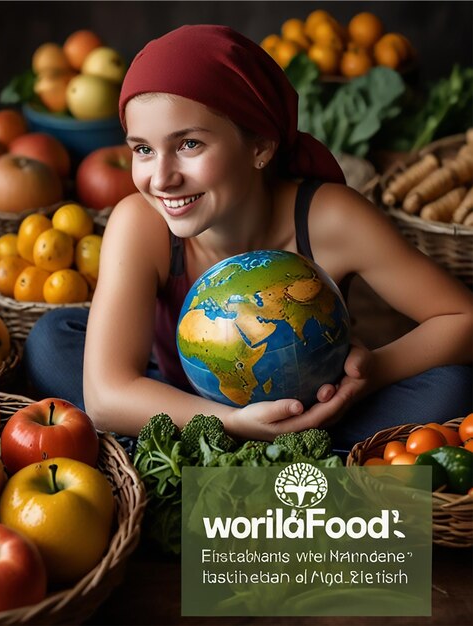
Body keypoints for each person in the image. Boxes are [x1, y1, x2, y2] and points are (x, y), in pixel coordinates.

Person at [24, 25, 473, 452]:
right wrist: (231, 423)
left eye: (189, 145)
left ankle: (217, 457)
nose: (161, 178)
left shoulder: (329, 217)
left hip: (317, 408)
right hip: (182, 398)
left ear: (260, 146)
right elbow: (104, 396)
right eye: (142, 148)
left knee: (453, 388)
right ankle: (286, 462)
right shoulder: (141, 223)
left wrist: (372, 374)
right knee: (51, 340)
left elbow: (462, 317)